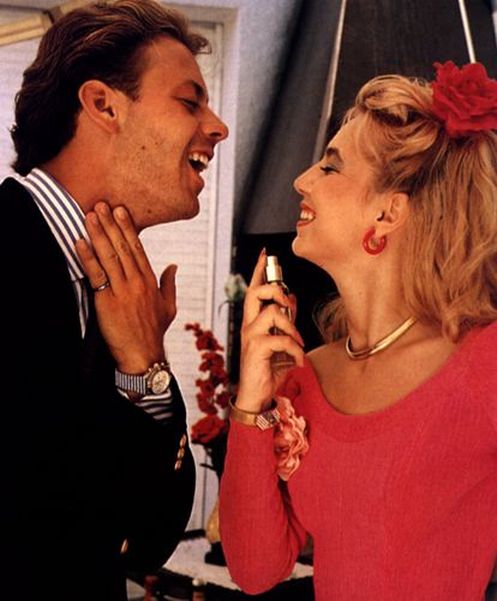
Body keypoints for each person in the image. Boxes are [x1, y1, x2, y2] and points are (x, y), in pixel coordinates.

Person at [219, 61, 497, 601]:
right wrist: (251, 402)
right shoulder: (305, 376)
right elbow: (255, 569)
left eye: (330, 167)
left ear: (387, 214)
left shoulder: (482, 360)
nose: (301, 180)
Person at [1, 1, 228, 599]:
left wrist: (143, 366)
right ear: (103, 105)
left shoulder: (121, 297)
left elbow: (150, 538)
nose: (218, 127)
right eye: (190, 101)